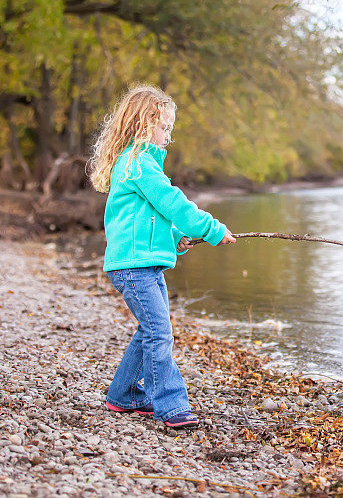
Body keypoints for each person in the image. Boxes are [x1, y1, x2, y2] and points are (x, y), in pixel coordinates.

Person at [88, 84, 236, 429]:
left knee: (150, 330)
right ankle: (170, 406)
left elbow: (147, 217)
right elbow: (172, 202)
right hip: (133, 267)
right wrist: (210, 229)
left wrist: (175, 237)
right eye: (164, 127)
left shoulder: (139, 164)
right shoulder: (138, 163)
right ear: (143, 124)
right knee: (160, 333)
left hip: (143, 264)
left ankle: (122, 396)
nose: (168, 135)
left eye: (170, 128)